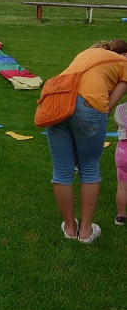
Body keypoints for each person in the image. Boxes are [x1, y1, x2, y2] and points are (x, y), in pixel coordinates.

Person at [46, 39, 127, 244]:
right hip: (89, 103)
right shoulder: (124, 63)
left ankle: (70, 228)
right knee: (89, 167)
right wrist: (101, 116)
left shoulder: (88, 53)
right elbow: (113, 98)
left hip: (55, 100)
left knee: (62, 169)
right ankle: (86, 232)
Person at [113, 101, 127, 226]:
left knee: (122, 186)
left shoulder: (120, 108)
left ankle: (121, 216)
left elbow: (117, 126)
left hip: (123, 151)